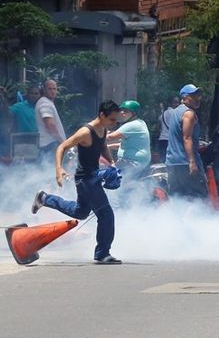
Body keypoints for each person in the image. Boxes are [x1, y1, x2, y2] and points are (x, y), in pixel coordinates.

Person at [31, 101, 123, 264]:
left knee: (80, 212)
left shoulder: (103, 129)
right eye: (112, 119)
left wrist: (112, 163)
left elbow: (103, 147)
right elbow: (62, 147)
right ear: (102, 115)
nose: (114, 123)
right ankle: (102, 253)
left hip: (92, 177)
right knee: (106, 214)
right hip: (86, 179)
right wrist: (59, 169)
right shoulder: (85, 132)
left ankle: (44, 198)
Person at [165, 84, 208, 199]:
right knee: (199, 196)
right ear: (184, 97)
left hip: (172, 161)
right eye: (193, 96)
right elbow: (187, 138)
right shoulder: (189, 114)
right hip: (185, 162)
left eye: (198, 95)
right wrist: (192, 162)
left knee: (176, 197)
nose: (197, 98)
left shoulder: (175, 112)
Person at [107, 100, 151, 179]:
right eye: (121, 110)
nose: (122, 113)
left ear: (134, 113)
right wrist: (107, 147)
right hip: (132, 162)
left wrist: (90, 138)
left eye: (126, 111)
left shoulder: (132, 125)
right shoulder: (140, 123)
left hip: (132, 163)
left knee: (109, 177)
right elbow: (125, 145)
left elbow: (110, 137)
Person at [35, 79, 66, 160]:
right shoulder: (44, 103)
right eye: (50, 89)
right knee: (51, 166)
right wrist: (62, 141)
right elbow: (50, 125)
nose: (52, 91)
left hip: (50, 144)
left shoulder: (47, 102)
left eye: (54, 89)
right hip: (49, 144)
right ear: (44, 90)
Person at [157, 97, 180, 163]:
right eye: (176, 102)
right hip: (171, 141)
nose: (177, 104)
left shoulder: (162, 114)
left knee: (163, 161)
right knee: (172, 162)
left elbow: (158, 127)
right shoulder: (175, 113)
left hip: (162, 139)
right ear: (171, 103)